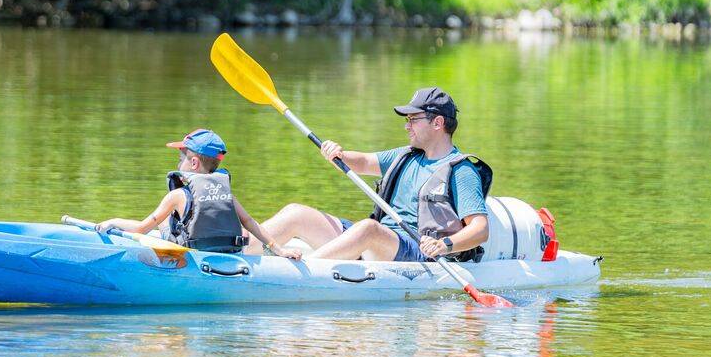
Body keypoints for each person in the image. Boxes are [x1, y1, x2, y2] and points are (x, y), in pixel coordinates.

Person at [255, 88, 491, 262]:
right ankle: (235, 255)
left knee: (368, 228)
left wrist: (444, 245)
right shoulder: (405, 155)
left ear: (438, 122)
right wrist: (339, 154)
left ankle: (302, 273)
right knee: (297, 213)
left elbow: (480, 229)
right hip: (380, 241)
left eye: (413, 120)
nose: (407, 126)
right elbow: (364, 162)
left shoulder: (461, 170)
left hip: (419, 250)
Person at [98, 129, 302, 259]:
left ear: (193, 163)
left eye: (181, 158)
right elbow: (249, 221)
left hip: (194, 253)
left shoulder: (177, 195)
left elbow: (141, 228)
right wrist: (279, 250)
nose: (178, 164)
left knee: (164, 220)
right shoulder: (225, 191)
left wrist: (112, 221)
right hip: (229, 252)